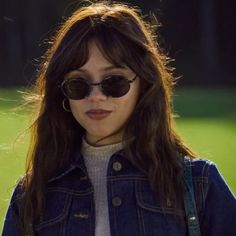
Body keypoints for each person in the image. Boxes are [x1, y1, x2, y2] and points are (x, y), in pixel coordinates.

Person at [2, 1, 236, 236]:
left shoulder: (199, 185)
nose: (96, 97)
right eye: (78, 84)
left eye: (114, 82)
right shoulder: (31, 197)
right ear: (62, 92)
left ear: (144, 85)